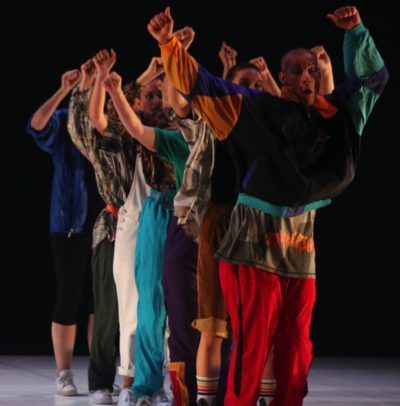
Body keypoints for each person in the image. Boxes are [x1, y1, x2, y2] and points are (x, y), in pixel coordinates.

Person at [148, 5, 388, 405]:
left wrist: (356, 32)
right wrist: (169, 45)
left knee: (295, 350)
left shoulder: (335, 119)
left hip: (299, 253)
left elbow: (372, 79)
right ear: (282, 79)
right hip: (252, 248)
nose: (306, 77)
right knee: (251, 348)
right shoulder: (260, 111)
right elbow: (206, 87)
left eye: (311, 69)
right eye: (296, 71)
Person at [26, 63, 101, 396]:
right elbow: (35, 124)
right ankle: (64, 372)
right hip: (68, 220)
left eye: (94, 74)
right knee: (69, 295)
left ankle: (100, 372)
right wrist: (63, 90)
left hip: (106, 219)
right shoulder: (64, 119)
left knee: (102, 301)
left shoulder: (104, 118)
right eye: (87, 72)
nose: (89, 77)